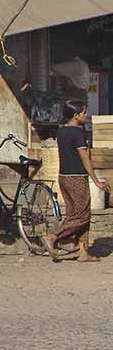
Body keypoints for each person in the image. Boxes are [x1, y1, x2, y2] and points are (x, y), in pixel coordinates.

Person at [44, 99, 109, 262]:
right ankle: (53, 237)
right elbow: (85, 158)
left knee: (76, 213)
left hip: (64, 177)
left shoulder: (62, 131)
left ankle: (83, 251)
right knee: (82, 216)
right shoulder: (78, 132)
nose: (85, 115)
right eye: (83, 112)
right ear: (75, 115)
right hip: (77, 177)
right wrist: (96, 180)